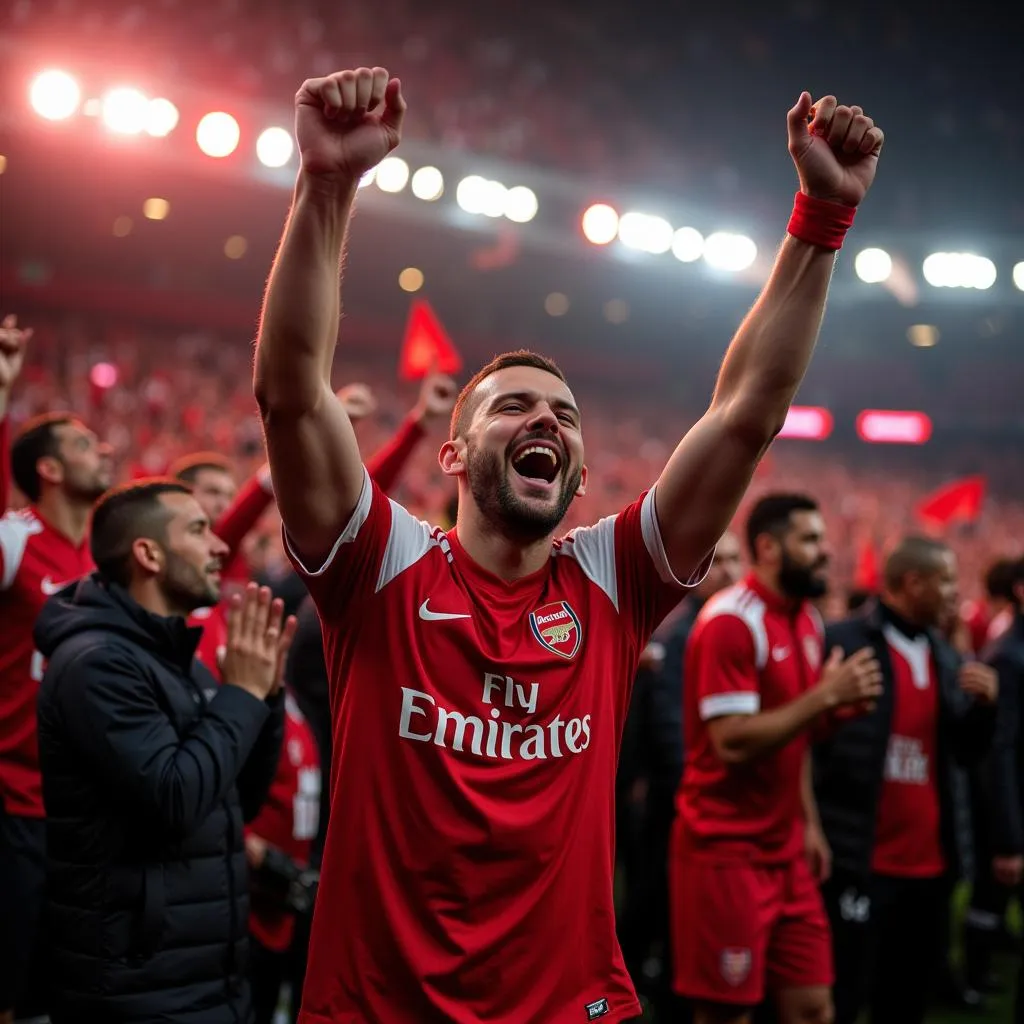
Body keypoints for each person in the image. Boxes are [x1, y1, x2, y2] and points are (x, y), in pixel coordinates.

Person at [253, 65, 885, 1023]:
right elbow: (294, 390)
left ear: (582, 476)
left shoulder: (611, 581)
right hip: (376, 1005)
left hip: (571, 1005)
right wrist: (328, 186)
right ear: (456, 454)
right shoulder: (381, 565)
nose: (545, 420)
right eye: (514, 406)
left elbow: (746, 413)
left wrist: (822, 220)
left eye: (565, 415)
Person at [34, 479, 294, 1023]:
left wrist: (264, 701)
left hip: (208, 979)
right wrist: (241, 695)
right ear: (148, 553)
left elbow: (234, 804)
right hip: (138, 989)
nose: (222, 547)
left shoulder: (176, 662)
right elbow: (174, 798)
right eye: (200, 530)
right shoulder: (96, 665)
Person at [669, 493, 883, 1024]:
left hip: (786, 852)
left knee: (813, 1007)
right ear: (767, 547)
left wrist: (808, 821)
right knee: (727, 1014)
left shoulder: (807, 620)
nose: (825, 551)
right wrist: (825, 698)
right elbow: (733, 742)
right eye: (809, 540)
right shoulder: (730, 622)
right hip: (726, 853)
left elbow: (797, 734)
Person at [813, 536, 998, 1024]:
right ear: (912, 583)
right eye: (947, 580)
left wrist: (984, 712)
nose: (956, 592)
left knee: (907, 1000)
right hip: (860, 860)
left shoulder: (946, 654)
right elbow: (811, 746)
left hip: (930, 870)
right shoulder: (842, 640)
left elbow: (964, 754)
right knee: (843, 997)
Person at [0, 315, 114, 1023]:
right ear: (47, 469)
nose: (100, 450)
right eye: (81, 444)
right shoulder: (15, 542)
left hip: (87, 821)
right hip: (13, 811)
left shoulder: (109, 564)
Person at [617, 532, 743, 1017]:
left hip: (686, 795)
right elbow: (671, 728)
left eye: (735, 560)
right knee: (652, 898)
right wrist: (698, 780)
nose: (729, 570)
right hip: (675, 799)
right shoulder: (681, 632)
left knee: (668, 904)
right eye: (719, 561)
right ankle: (633, 984)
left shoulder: (721, 624)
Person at [974, 556, 1024, 1018]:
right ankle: (975, 969)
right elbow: (1000, 749)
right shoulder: (1006, 655)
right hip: (1012, 810)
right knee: (991, 895)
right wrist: (1009, 835)